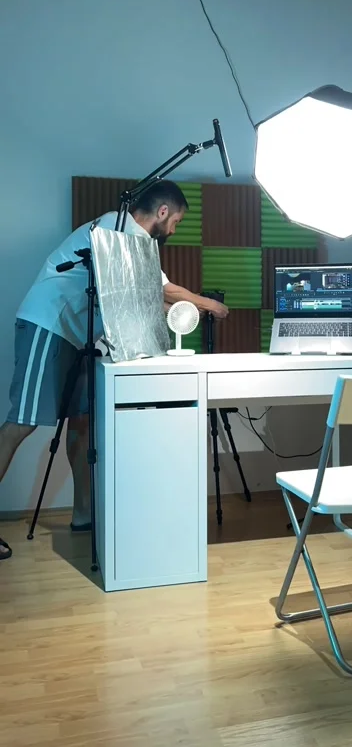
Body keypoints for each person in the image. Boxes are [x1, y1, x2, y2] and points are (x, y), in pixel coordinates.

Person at [0, 180, 228, 559]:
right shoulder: (117, 227)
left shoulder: (137, 241)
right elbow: (161, 291)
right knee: (20, 424)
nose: (174, 231)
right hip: (50, 323)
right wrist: (207, 304)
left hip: (77, 336)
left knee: (83, 423)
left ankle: (84, 515)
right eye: (177, 222)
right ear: (163, 212)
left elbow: (149, 295)